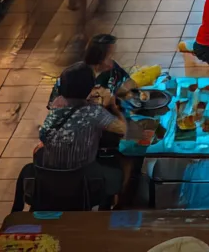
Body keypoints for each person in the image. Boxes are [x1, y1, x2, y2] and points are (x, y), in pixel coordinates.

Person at [21, 62, 126, 210]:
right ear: (90, 88)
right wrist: (114, 107)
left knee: (39, 151)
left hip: (51, 183)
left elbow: (44, 135)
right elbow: (122, 129)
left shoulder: (56, 107)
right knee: (117, 169)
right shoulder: (94, 112)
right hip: (82, 184)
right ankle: (110, 206)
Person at [47, 33, 135, 105]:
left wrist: (127, 92)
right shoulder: (73, 75)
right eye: (109, 56)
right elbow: (69, 105)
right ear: (98, 57)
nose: (112, 60)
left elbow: (129, 83)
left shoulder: (112, 69)